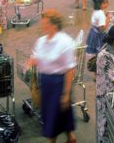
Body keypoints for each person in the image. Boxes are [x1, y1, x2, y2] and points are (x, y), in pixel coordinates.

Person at [28, 9, 77, 143]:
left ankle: (52, 140)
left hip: (59, 83)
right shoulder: (41, 41)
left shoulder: (65, 42)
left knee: (53, 118)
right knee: (60, 114)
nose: (42, 27)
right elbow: (37, 56)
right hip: (46, 83)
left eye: (45, 24)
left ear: (54, 25)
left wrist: (66, 94)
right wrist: (33, 61)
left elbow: (69, 69)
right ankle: (70, 137)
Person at [86, 0, 111, 66]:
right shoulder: (100, 14)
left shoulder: (97, 11)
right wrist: (108, 19)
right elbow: (102, 29)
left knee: (97, 54)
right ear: (99, 4)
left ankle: (97, 68)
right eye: (104, 3)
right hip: (98, 36)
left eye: (107, 2)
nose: (107, 4)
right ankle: (98, 68)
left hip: (93, 32)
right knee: (100, 53)